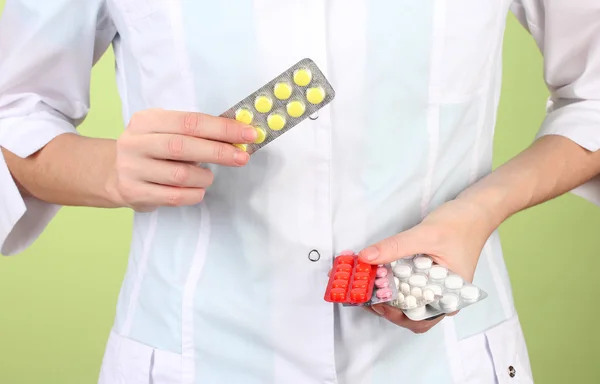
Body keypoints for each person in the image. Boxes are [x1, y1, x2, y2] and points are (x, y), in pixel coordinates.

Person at [1, 0, 599, 383]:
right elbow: (14, 111)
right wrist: (107, 169)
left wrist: (479, 211)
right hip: (193, 358)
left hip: (443, 363)